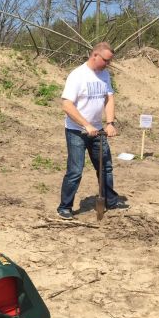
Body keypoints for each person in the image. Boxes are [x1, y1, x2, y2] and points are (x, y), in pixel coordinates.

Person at [57, 42, 128, 219]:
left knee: (106, 167)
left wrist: (110, 123)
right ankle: (65, 207)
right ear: (94, 55)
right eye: (106, 60)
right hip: (76, 131)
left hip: (98, 131)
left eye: (110, 61)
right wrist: (86, 125)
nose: (108, 64)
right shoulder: (77, 75)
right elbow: (66, 105)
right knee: (75, 170)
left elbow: (109, 98)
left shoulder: (105, 75)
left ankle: (110, 200)